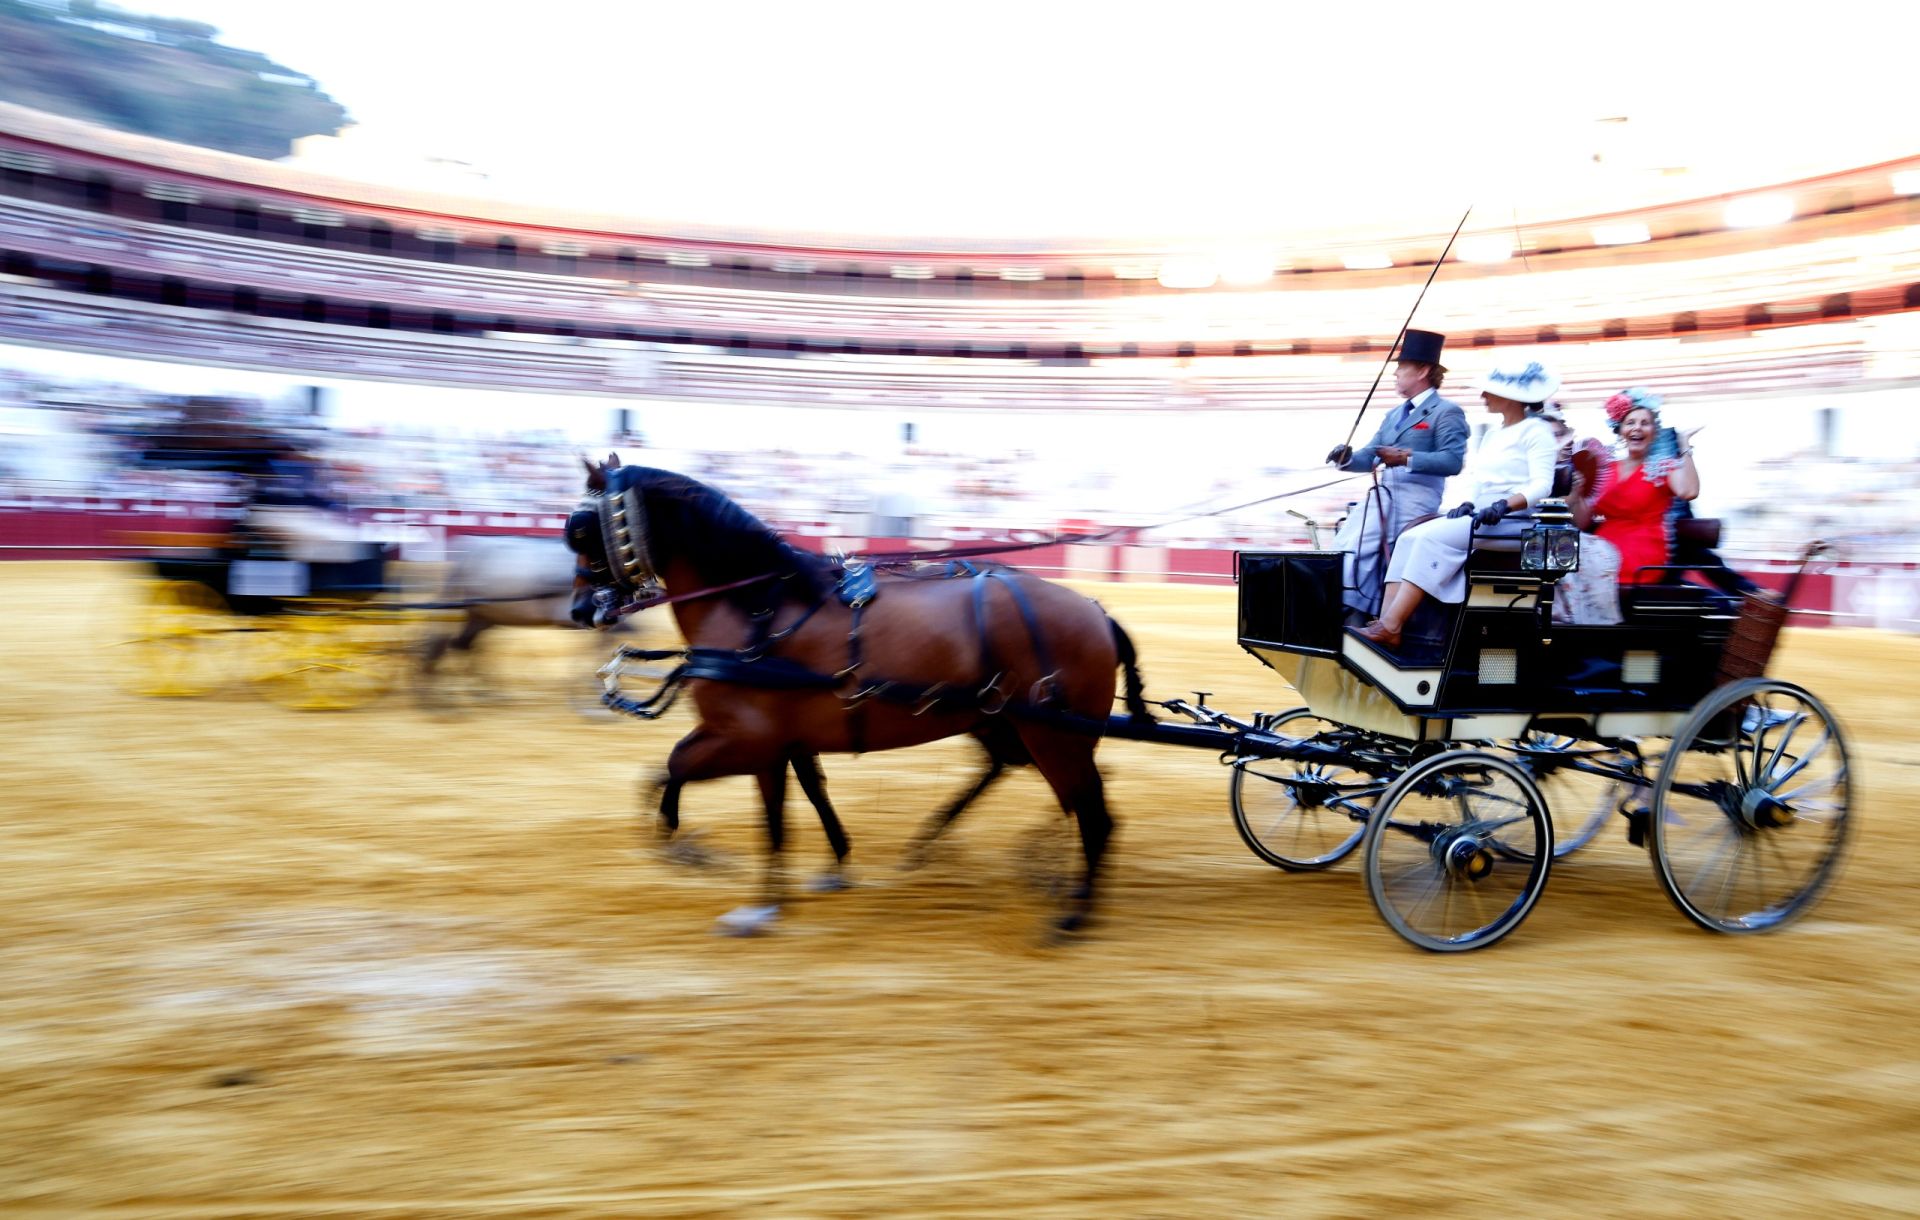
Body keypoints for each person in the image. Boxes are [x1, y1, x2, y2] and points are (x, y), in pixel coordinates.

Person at [1354, 357, 1562, 649]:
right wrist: (1466, 503)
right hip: (1483, 514)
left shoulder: (1536, 431)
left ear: (1511, 397)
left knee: (1428, 539)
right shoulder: (1493, 433)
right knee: (1409, 537)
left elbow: (1542, 485)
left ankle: (1392, 625)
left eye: (1489, 391)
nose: (1482, 396)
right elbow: (1477, 480)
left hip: (1514, 521)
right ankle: (1386, 621)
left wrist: (1504, 505)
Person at [1324, 328, 1470, 619]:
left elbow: (1452, 462)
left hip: (1415, 498)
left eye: (1402, 368)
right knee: (1349, 546)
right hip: (1384, 494)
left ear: (1423, 371)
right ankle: (1350, 609)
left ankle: (1363, 613)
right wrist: (1347, 458)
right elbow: (1371, 455)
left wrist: (1406, 458)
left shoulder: (1446, 412)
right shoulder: (1393, 414)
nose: (1396, 375)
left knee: (1381, 555)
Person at [1567, 387, 1699, 587]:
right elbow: (1582, 522)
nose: (1637, 428)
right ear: (1620, 431)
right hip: (1602, 547)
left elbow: (1689, 491)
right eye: (1630, 423)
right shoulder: (1605, 467)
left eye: (1645, 423)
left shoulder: (1662, 466)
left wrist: (1684, 445)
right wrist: (1577, 493)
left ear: (1653, 433)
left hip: (1643, 550)